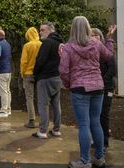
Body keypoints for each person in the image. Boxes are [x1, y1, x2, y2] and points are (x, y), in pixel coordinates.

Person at [59, 16, 115, 168]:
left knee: (84, 124)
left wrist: (68, 84)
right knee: (95, 122)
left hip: (79, 88)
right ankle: (99, 158)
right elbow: (109, 56)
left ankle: (84, 161)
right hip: (98, 87)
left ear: (73, 28)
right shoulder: (96, 43)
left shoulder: (68, 47)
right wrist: (109, 40)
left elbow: (63, 70)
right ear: (88, 28)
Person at [32, 22, 63, 138]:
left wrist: (35, 74)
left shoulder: (47, 43)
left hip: (45, 78)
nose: (40, 32)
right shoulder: (60, 43)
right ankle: (56, 129)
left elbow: (40, 60)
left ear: (50, 30)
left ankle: (43, 131)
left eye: (42, 30)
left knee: (43, 104)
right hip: (57, 77)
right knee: (56, 104)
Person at [91, 27, 117, 150]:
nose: (94, 37)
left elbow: (113, 69)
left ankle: (104, 142)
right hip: (97, 88)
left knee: (103, 114)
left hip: (107, 88)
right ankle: (98, 141)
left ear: (100, 37)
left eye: (96, 35)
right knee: (96, 115)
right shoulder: (91, 51)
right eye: (92, 35)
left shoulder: (105, 51)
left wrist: (102, 80)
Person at [20, 27, 42, 128]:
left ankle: (31, 120)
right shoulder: (42, 44)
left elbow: (24, 61)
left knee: (29, 97)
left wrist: (22, 73)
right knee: (42, 97)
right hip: (40, 74)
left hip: (28, 74)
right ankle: (43, 120)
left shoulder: (27, 46)